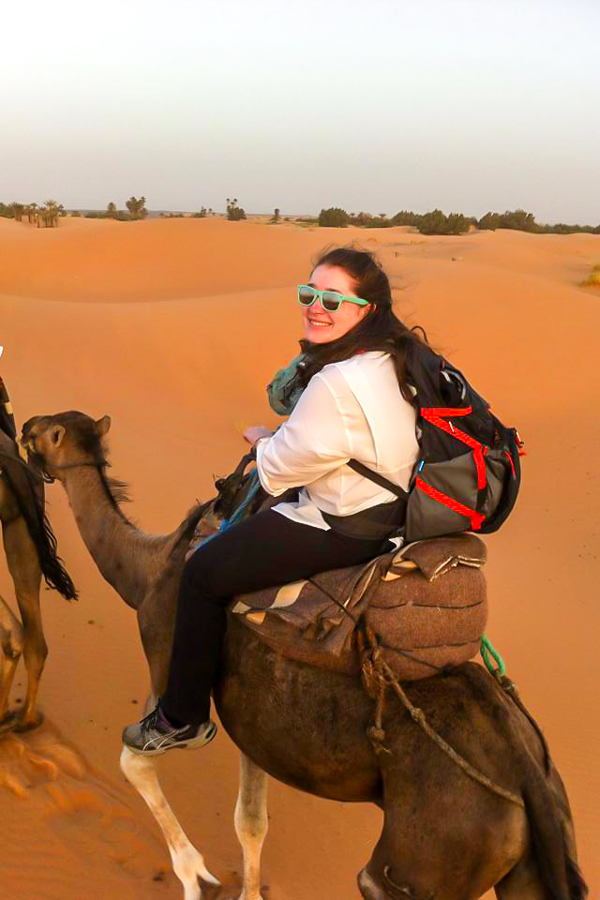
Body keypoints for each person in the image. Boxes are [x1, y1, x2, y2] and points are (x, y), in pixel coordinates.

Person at [123, 246, 426, 755]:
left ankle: (182, 718)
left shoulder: (336, 381)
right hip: (397, 514)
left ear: (366, 309)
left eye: (333, 299)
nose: (316, 307)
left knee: (201, 574)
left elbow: (281, 471)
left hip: (342, 523)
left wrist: (265, 439)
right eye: (309, 294)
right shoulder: (393, 359)